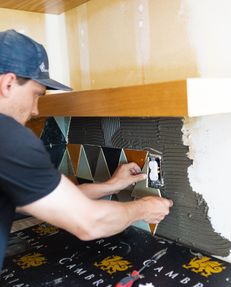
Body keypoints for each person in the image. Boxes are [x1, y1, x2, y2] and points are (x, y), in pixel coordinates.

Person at [0, 29, 173, 270]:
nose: (36, 110)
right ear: (8, 83)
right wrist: (143, 209)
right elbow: (89, 222)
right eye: (36, 95)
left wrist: (110, 186)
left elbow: (41, 199)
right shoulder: (8, 137)